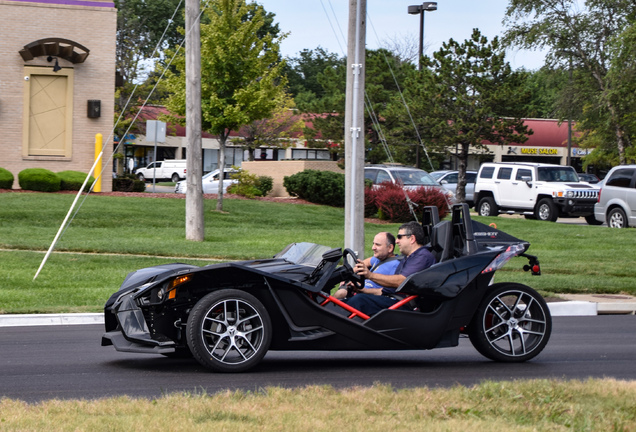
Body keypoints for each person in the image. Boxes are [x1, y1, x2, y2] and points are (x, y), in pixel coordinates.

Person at [346, 221, 436, 316]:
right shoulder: (408, 258)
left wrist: (370, 275)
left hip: (406, 307)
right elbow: (386, 291)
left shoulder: (422, 257)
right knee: (348, 300)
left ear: (412, 238)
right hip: (395, 300)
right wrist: (364, 290)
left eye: (400, 237)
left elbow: (401, 281)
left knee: (359, 301)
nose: (397, 241)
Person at [333, 232, 399, 299]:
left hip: (368, 297)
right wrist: (347, 275)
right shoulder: (378, 258)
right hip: (358, 289)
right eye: (373, 244)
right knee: (338, 293)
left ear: (390, 248)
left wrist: (365, 290)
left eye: (378, 245)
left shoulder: (396, 265)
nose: (373, 248)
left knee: (341, 294)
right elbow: (365, 262)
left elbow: (389, 291)